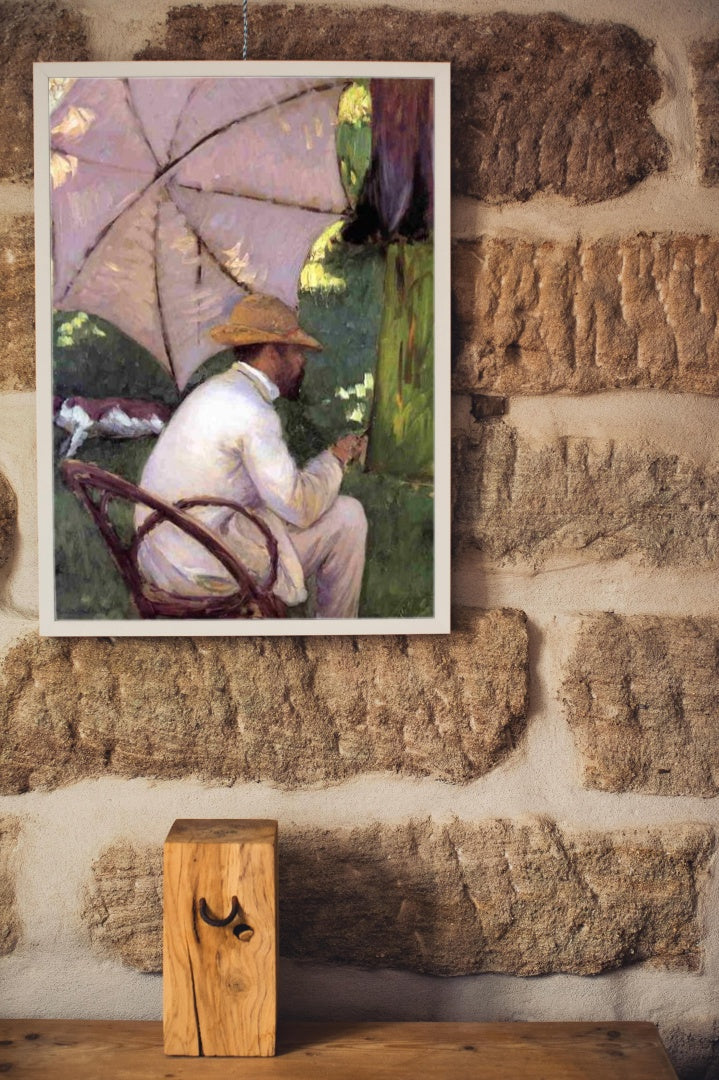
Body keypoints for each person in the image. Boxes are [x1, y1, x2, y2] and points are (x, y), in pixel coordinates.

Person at [134, 294, 368, 618]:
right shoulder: (253, 411)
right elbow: (299, 507)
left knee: (292, 517)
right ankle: (338, 637)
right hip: (201, 569)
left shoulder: (213, 392)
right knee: (349, 516)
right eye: (297, 351)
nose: (302, 362)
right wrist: (336, 459)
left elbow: (271, 496)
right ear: (273, 352)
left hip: (160, 554)